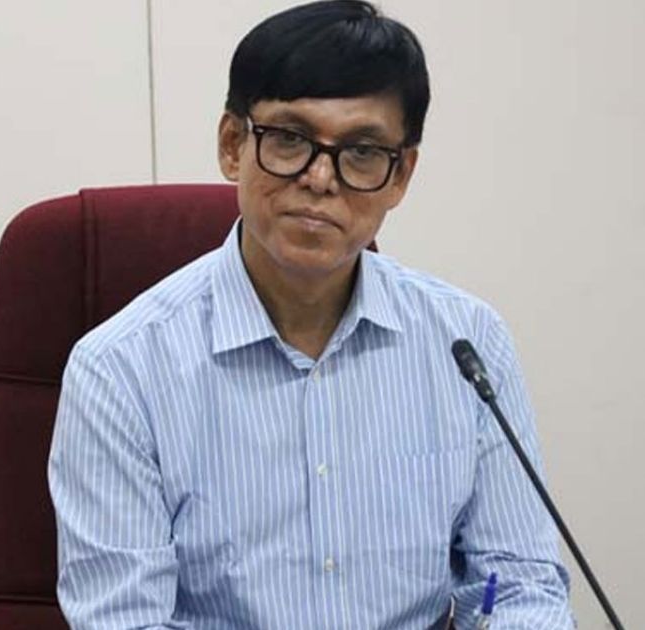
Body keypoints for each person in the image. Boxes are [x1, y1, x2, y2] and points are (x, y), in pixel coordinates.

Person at [48, 1, 573, 628]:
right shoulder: (120, 369)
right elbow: (123, 622)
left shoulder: (466, 342)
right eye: (290, 139)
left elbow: (521, 585)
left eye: (362, 151)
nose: (321, 179)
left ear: (401, 175)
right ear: (232, 145)